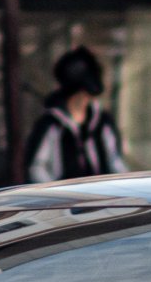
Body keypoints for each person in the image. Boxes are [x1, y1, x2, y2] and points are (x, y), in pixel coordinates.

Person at [26, 46, 127, 183]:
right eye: (83, 92)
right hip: (64, 201)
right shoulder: (50, 125)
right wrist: (57, 197)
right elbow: (36, 167)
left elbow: (115, 161)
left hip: (104, 198)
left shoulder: (102, 122)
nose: (86, 98)